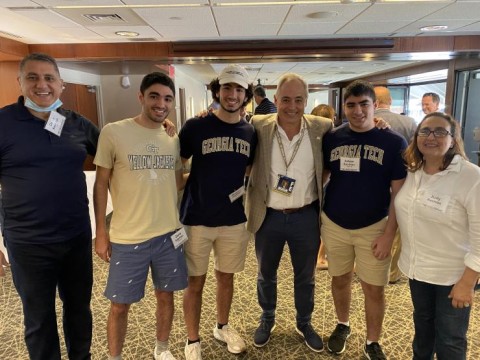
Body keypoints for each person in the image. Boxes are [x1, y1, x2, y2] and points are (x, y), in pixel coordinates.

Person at [0, 53, 99, 360]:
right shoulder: (3, 123)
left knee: (79, 310)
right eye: (32, 77)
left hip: (76, 237)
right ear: (20, 82)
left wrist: (157, 127)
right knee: (39, 318)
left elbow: (117, 150)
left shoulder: (77, 124)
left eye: (49, 78)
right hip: (28, 243)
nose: (41, 85)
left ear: (61, 84)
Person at [93, 72, 187, 360]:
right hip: (127, 236)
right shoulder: (113, 132)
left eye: (167, 98)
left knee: (166, 296)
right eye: (154, 96)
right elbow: (100, 183)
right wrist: (100, 232)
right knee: (119, 305)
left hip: (168, 235)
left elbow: (176, 180)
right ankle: (115, 357)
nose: (161, 103)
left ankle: (162, 348)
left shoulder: (172, 137)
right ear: (141, 97)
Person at [246, 73, 332, 352]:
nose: (292, 106)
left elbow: (349, 137)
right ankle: (267, 317)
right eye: (285, 99)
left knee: (305, 276)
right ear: (275, 100)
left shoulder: (323, 126)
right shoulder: (259, 124)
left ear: (307, 101)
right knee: (265, 273)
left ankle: (304, 322)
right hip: (268, 215)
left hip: (305, 216)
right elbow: (230, 126)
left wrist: (377, 124)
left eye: (298, 100)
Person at [321, 80, 407, 360]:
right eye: (351, 105)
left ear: (375, 106)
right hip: (335, 222)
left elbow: (399, 194)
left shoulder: (393, 141)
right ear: (344, 107)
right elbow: (322, 176)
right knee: (340, 279)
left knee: (373, 287)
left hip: (374, 225)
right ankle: (342, 324)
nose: (357, 111)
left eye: (364, 104)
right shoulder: (333, 137)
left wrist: (389, 235)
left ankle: (372, 341)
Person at [179, 64, 257, 360]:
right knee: (194, 281)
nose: (232, 95)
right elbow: (179, 162)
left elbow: (249, 168)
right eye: (227, 88)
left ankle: (222, 327)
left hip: (233, 218)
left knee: (226, 276)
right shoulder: (195, 126)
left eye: (239, 89)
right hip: (197, 216)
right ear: (217, 91)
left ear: (246, 94)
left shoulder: (250, 130)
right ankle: (192, 338)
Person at [395, 112, 480, 360]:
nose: (431, 137)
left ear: (453, 140)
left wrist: (468, 282)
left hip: (452, 277)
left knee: (450, 341)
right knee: (423, 333)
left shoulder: (471, 176)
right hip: (417, 271)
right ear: (416, 137)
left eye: (440, 132)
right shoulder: (413, 170)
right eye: (425, 131)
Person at [374, 86, 417, 284]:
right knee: (398, 225)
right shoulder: (409, 123)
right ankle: (392, 272)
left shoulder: (364, 121)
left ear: (374, 101)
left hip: (375, 183)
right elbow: (417, 154)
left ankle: (370, 263)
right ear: (390, 100)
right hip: (403, 181)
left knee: (374, 224)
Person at [310, 104, 336, 270]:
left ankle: (318, 255)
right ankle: (320, 256)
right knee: (325, 222)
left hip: (313, 187)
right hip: (325, 186)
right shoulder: (333, 138)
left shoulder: (311, 136)